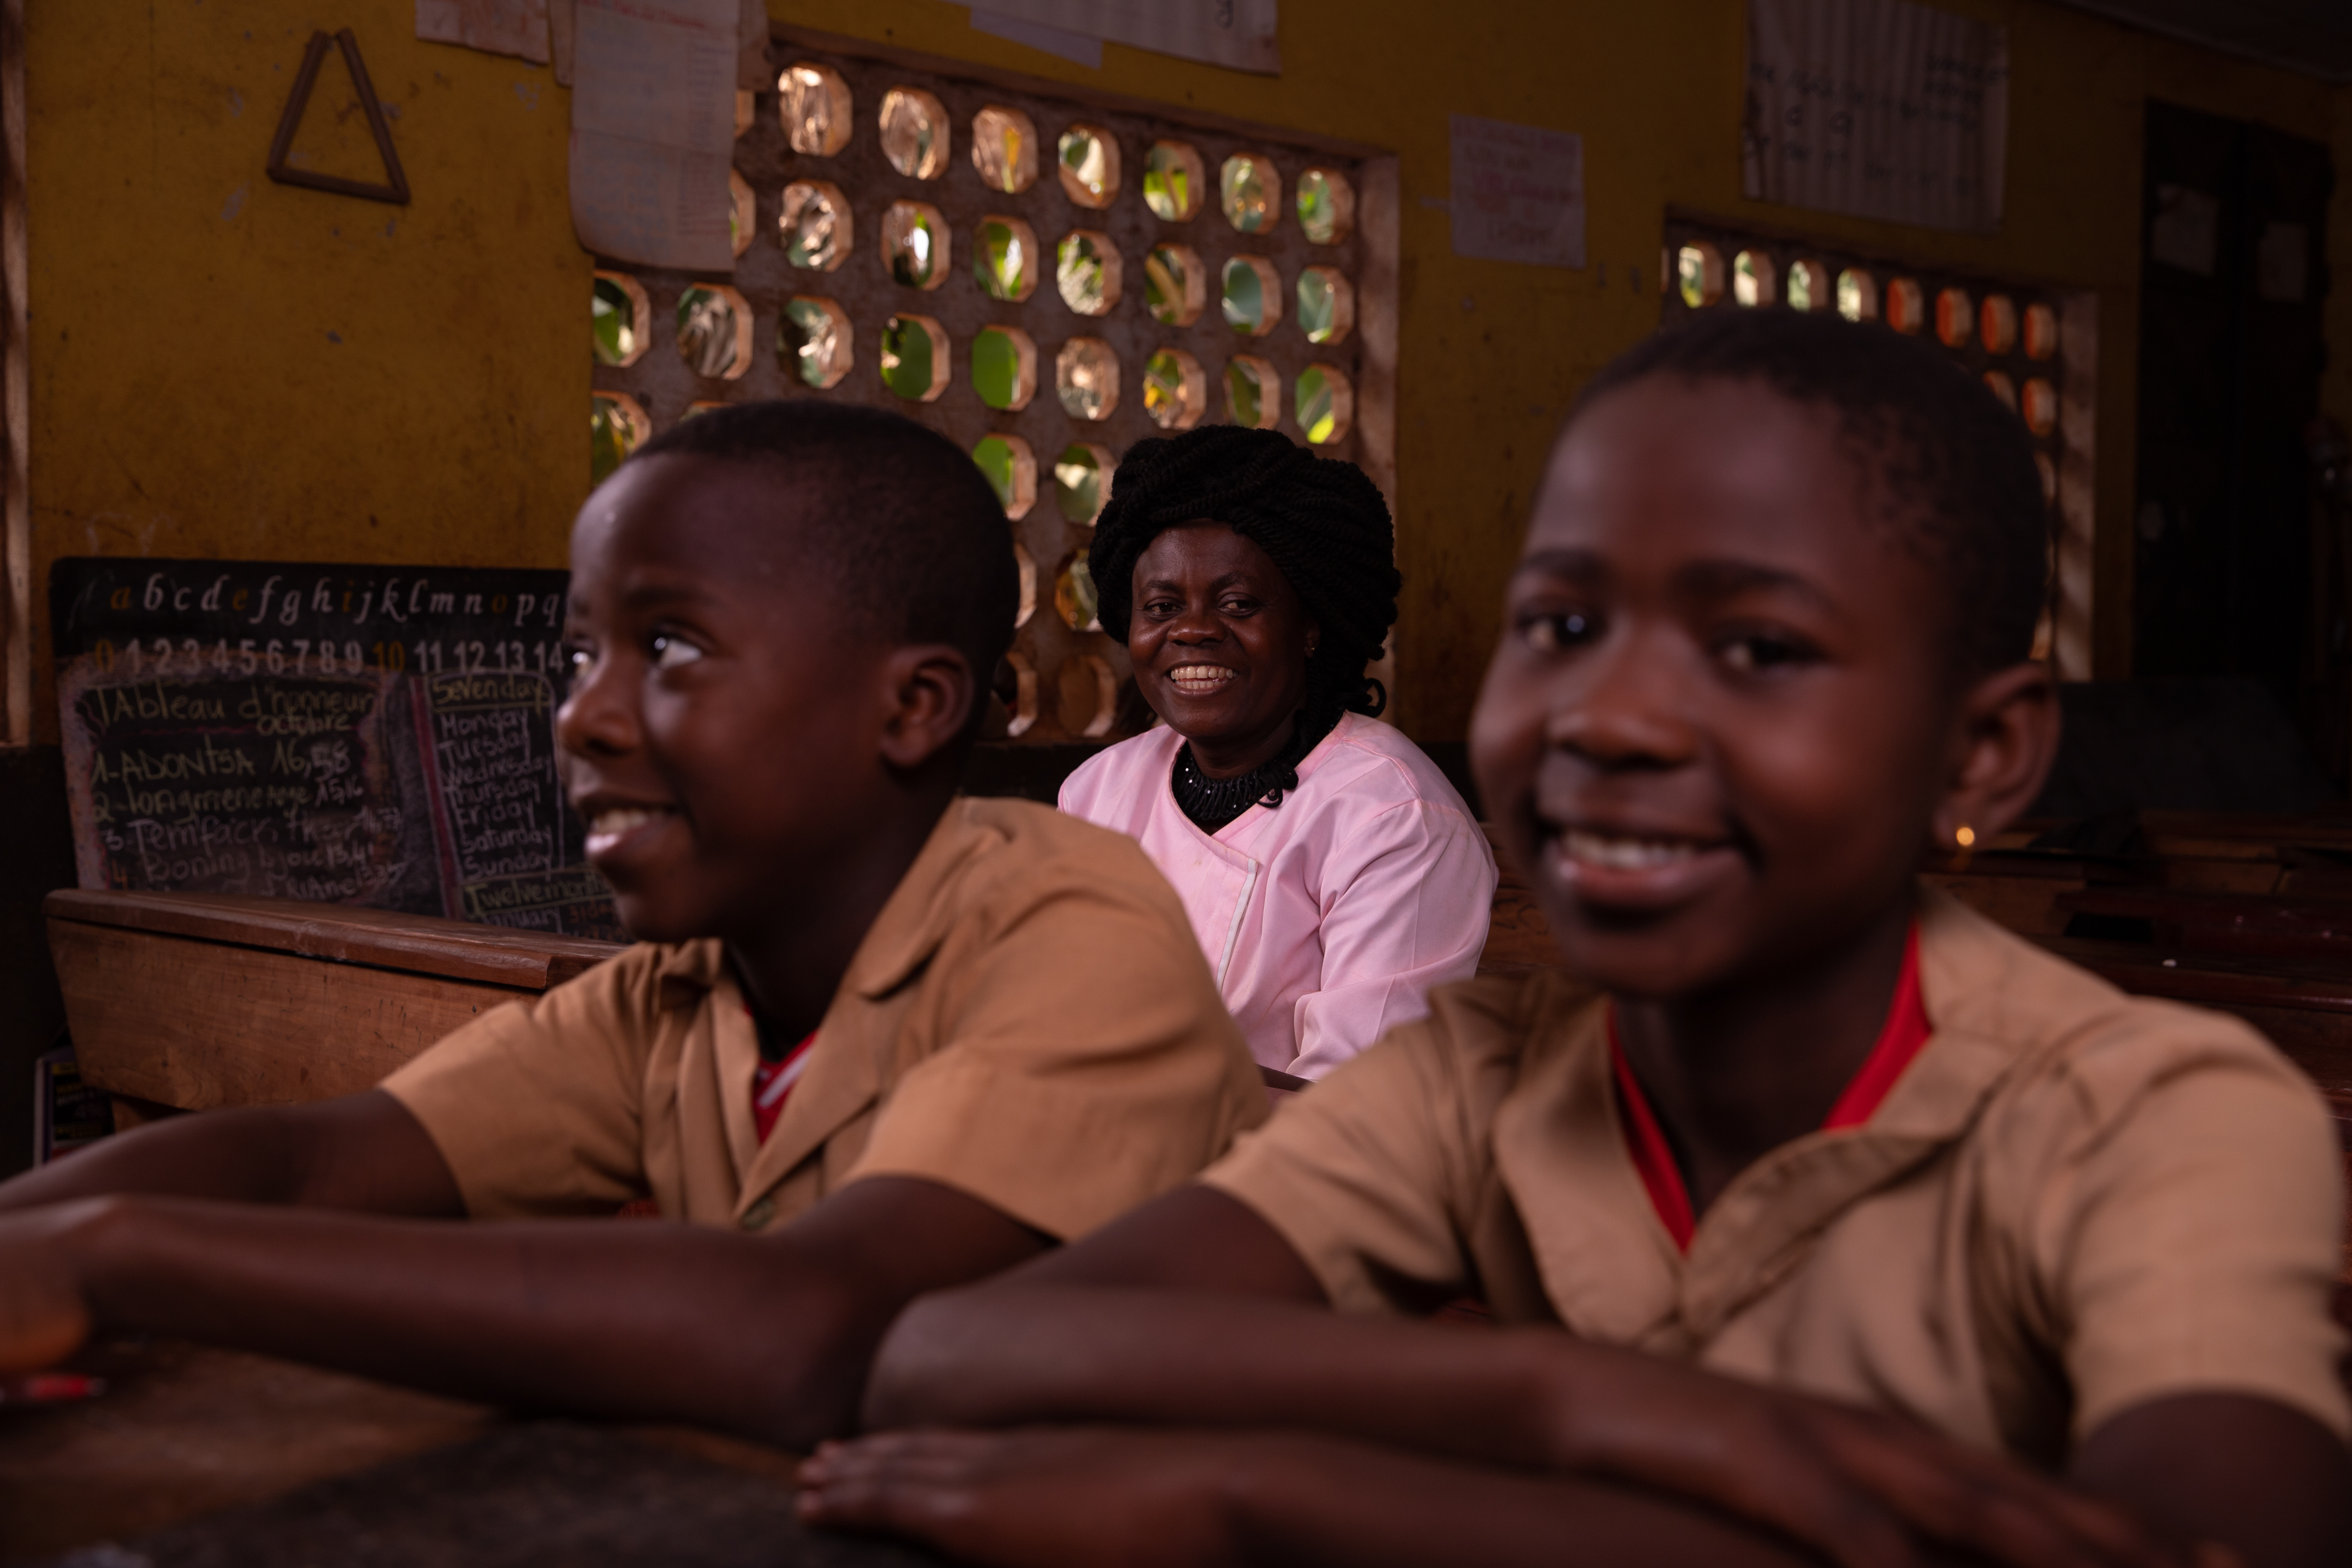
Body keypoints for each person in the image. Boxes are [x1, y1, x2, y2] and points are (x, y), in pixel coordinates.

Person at [797, 312, 2352, 1568]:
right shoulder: (1460, 1098)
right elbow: (955, 1361)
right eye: (1564, 623)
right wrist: (1591, 1407)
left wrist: (1268, 1490)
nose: (1616, 718)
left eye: (1758, 647)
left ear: (1980, 755)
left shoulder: (2163, 1124)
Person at [0, 401, 1267, 1446]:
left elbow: (804, 1329)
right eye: (577, 657)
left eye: (667, 647)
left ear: (914, 706)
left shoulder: (1074, 927)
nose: (584, 718)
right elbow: (315, 1167)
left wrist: (118, 1259)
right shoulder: (685, 990)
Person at [1058, 426, 1496, 1081]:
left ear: (1311, 626)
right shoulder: (1099, 791)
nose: (1194, 630)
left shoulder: (1393, 817)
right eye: (1162, 606)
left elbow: (1356, 1109)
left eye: (1238, 604)